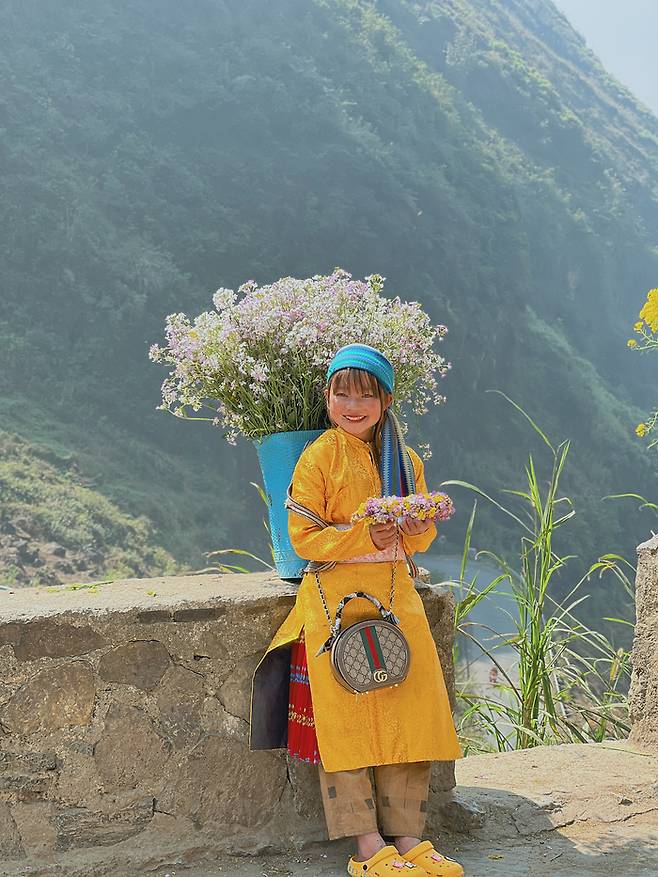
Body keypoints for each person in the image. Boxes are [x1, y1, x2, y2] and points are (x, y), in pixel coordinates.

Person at [250, 344, 463, 877]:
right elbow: (303, 537)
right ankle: (368, 847)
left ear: (385, 401)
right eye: (341, 393)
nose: (352, 405)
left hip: (396, 596)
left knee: (410, 715)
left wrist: (416, 530)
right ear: (327, 398)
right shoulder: (319, 457)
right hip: (335, 601)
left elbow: (419, 538)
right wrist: (362, 534)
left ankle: (410, 838)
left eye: (365, 395)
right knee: (349, 725)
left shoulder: (404, 461)